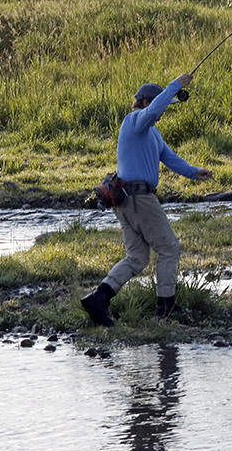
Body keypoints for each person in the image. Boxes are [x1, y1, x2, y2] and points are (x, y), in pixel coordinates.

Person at [81, 72, 213, 326]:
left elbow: (171, 159)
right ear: (143, 103)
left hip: (127, 200)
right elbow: (153, 111)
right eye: (158, 105)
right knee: (169, 248)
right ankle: (166, 311)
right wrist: (176, 85)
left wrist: (195, 172)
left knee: (137, 258)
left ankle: (98, 299)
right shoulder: (135, 121)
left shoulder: (153, 133)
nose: (162, 112)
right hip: (139, 200)